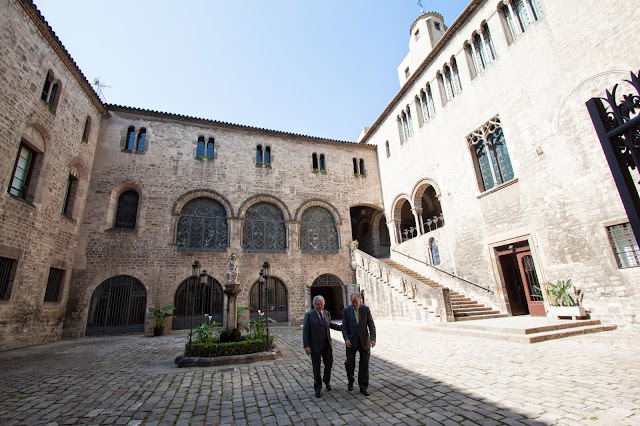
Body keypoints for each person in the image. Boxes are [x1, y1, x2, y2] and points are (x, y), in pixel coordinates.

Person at [303, 295, 340, 398]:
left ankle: (326, 380)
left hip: (327, 344)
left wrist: (340, 327)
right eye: (317, 304)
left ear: (324, 304)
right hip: (315, 345)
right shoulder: (309, 315)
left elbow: (330, 324)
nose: (319, 306)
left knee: (329, 363)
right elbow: (305, 331)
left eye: (321, 304)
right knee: (316, 367)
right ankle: (317, 388)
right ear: (314, 305)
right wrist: (307, 346)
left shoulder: (326, 313)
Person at [341, 293, 376, 396]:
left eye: (356, 302)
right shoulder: (346, 311)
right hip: (351, 341)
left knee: (364, 365)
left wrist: (373, 339)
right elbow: (344, 327)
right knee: (349, 363)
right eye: (353, 302)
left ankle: (363, 386)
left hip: (364, 340)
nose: (355, 304)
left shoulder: (365, 310)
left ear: (360, 301)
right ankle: (350, 381)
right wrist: (346, 339)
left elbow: (371, 325)